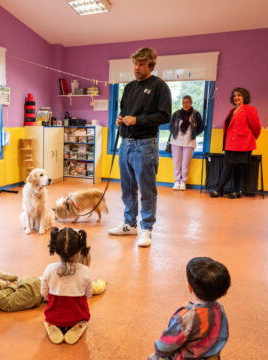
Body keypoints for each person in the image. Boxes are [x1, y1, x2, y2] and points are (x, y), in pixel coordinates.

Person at [108, 47, 172, 248]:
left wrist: (137, 120)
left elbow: (164, 116)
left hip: (146, 144)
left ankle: (146, 229)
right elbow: (124, 111)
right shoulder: (128, 88)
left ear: (150, 65)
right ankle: (129, 224)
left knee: (147, 190)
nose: (137, 67)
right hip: (125, 144)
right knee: (127, 188)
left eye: (142, 64)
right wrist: (121, 120)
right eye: (135, 63)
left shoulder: (159, 86)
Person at [148, 257, 231, 360]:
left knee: (153, 357)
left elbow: (165, 345)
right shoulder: (220, 309)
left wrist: (159, 351)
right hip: (211, 356)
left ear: (190, 287)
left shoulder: (186, 317)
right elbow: (223, 335)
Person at [41, 227, 92, 345]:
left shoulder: (49, 269)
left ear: (55, 249)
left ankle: (52, 324)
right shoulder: (85, 271)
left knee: (51, 316)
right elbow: (88, 294)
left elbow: (44, 294)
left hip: (54, 315)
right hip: (77, 315)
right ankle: (78, 324)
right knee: (81, 313)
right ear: (80, 249)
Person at [210, 87, 261, 199]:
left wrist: (250, 139)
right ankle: (233, 191)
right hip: (230, 144)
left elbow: (256, 127)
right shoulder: (232, 111)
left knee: (234, 167)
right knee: (232, 167)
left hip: (243, 144)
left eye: (239, 95)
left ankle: (223, 190)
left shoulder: (249, 109)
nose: (236, 97)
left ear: (244, 97)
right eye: (234, 95)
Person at [169, 95, 204, 190]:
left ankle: (183, 182)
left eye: (187, 102)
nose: (185, 104)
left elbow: (201, 127)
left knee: (185, 164)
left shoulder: (196, 114)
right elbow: (171, 125)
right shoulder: (176, 114)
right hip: (176, 142)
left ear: (191, 103)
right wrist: (173, 132)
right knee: (176, 163)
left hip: (189, 142)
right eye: (184, 102)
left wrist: (194, 134)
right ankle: (176, 181)